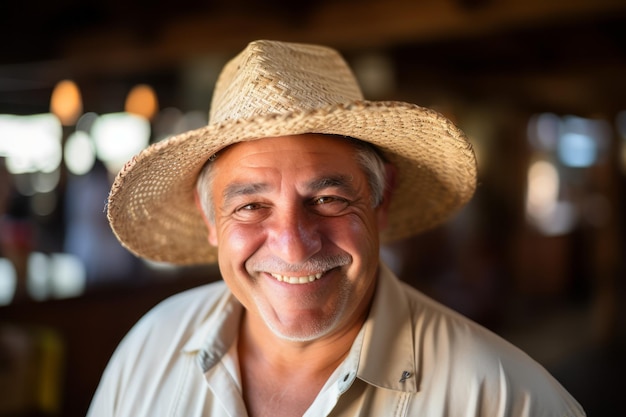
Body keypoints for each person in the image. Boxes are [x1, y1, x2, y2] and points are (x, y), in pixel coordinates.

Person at [88, 40, 585, 416]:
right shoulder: (149, 350)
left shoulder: (503, 397)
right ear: (210, 219)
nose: (293, 242)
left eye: (326, 199)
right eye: (252, 206)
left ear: (381, 199)